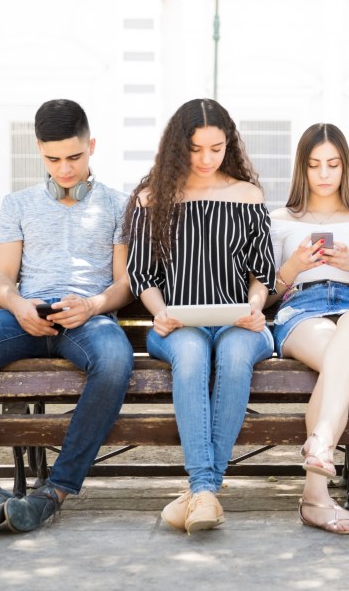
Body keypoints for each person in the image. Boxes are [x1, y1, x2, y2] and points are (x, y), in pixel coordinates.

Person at [0, 99, 134, 535]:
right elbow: (1, 279)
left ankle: (52, 493)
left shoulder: (119, 204)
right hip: (25, 317)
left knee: (115, 361)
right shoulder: (17, 204)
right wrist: (18, 305)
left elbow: (123, 284)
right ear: (39, 150)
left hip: (87, 320)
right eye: (52, 158)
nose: (65, 169)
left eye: (74, 157)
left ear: (92, 145)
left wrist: (93, 305)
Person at [125, 98, 275, 534]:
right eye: (195, 149)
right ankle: (205, 490)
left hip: (238, 323)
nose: (207, 159)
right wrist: (161, 313)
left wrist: (254, 306)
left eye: (217, 148)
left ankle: (199, 493)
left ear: (229, 145)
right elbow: (142, 275)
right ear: (177, 147)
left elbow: (262, 272)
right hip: (176, 325)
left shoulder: (247, 196)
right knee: (190, 355)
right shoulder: (152, 199)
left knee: (233, 354)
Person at [268, 123, 349, 535]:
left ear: (345, 167)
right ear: (301, 168)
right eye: (314, 164)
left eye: (333, 164)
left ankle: (320, 445)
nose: (323, 174)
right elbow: (264, 296)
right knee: (338, 358)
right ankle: (315, 493)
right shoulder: (280, 219)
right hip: (301, 309)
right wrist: (293, 268)